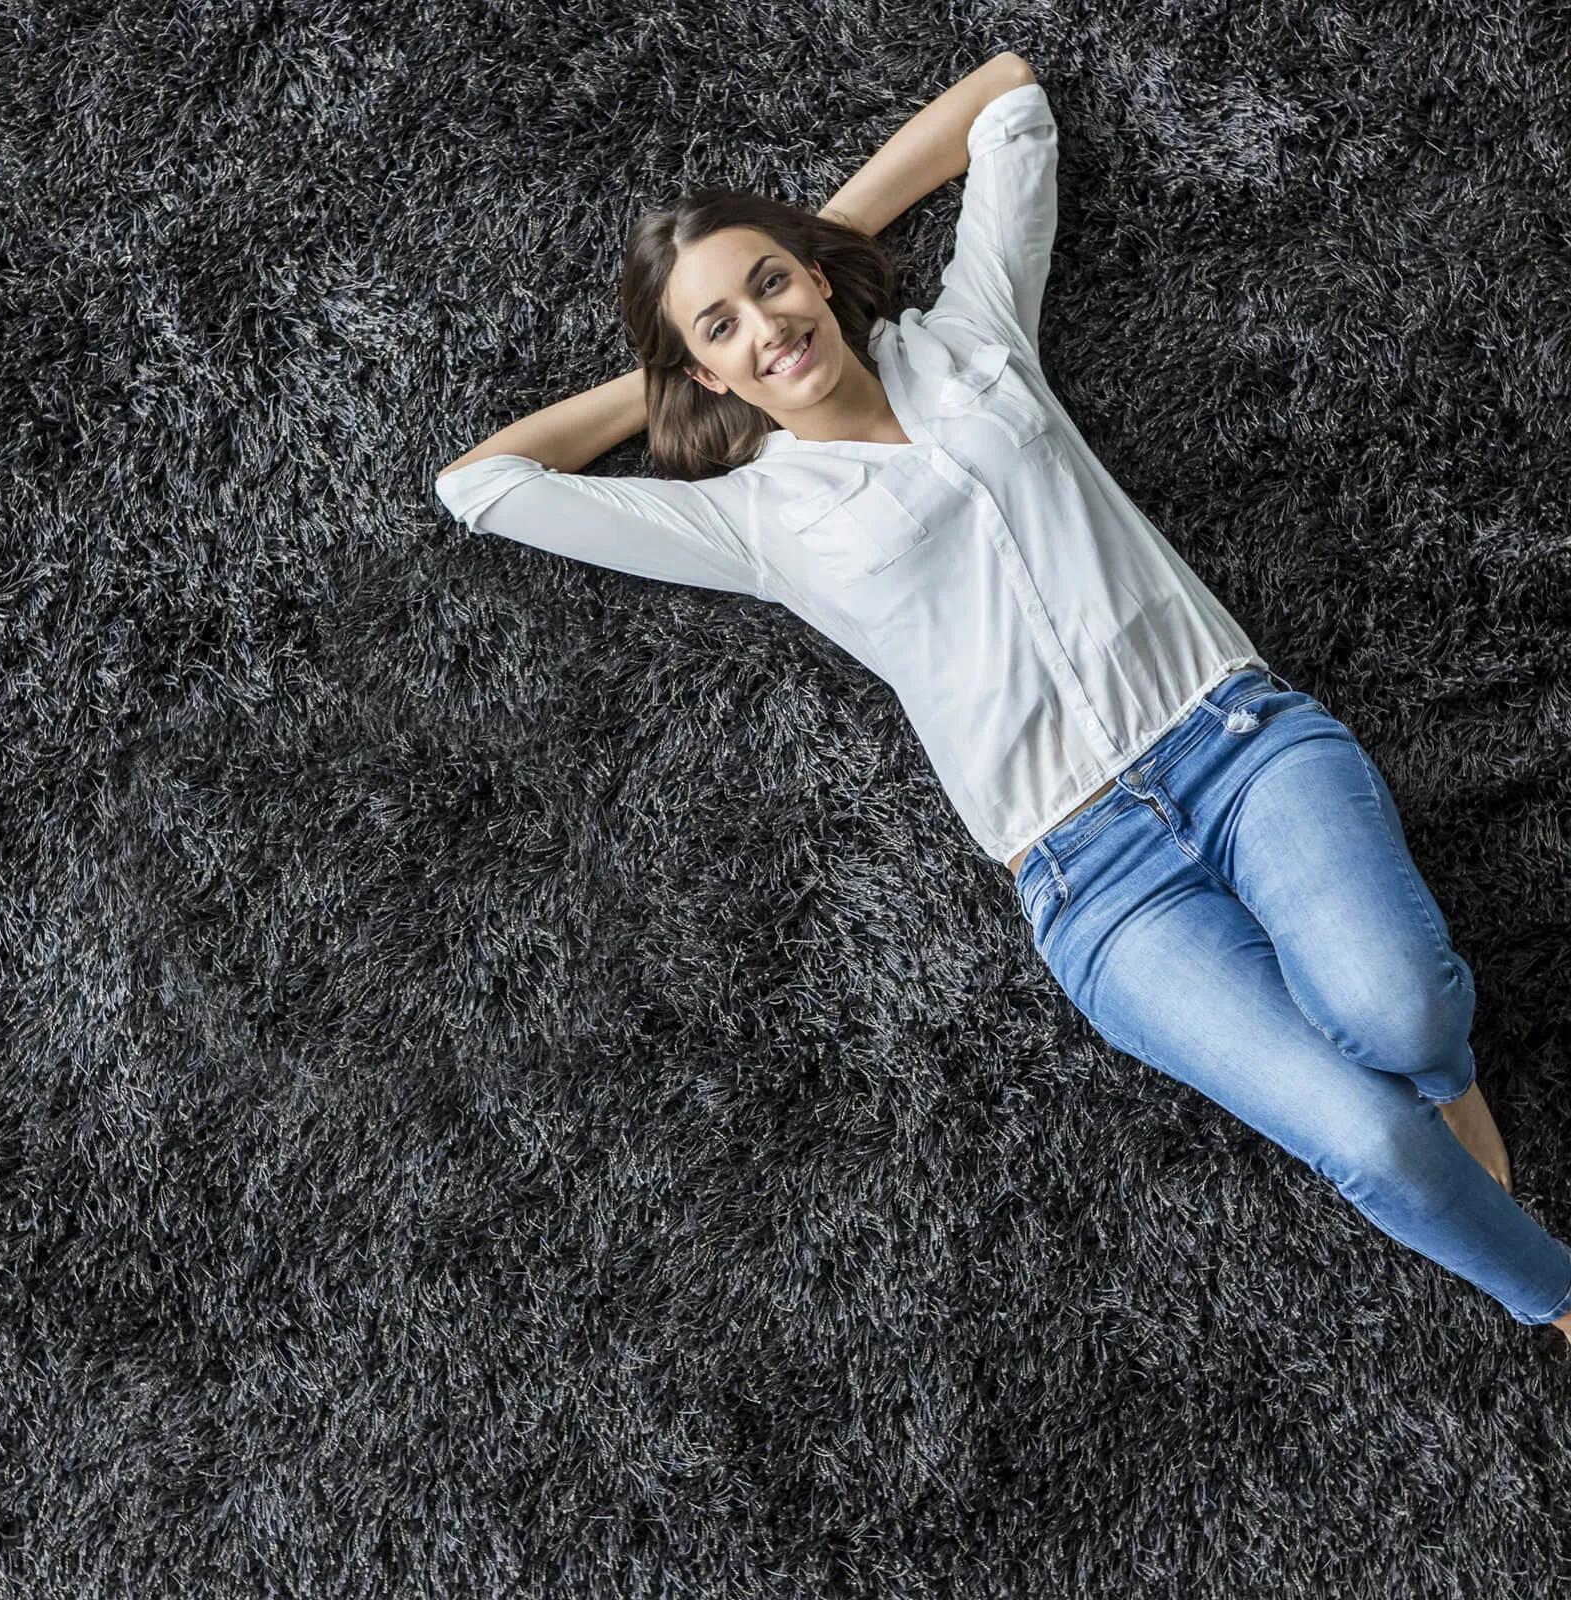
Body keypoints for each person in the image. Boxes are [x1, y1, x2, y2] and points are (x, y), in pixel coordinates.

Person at [435, 53, 1571, 1346]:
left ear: (816, 275)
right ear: (701, 376)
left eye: (772, 283)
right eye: (719, 328)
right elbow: (485, 485)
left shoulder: (973, 336)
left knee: (1402, 1014)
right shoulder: (752, 520)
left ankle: (1443, 1072)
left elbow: (1007, 98)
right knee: (1367, 1140)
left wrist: (816, 243)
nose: (766, 327)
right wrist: (686, 368)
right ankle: (1554, 1298)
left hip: (1237, 744)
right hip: (1092, 879)